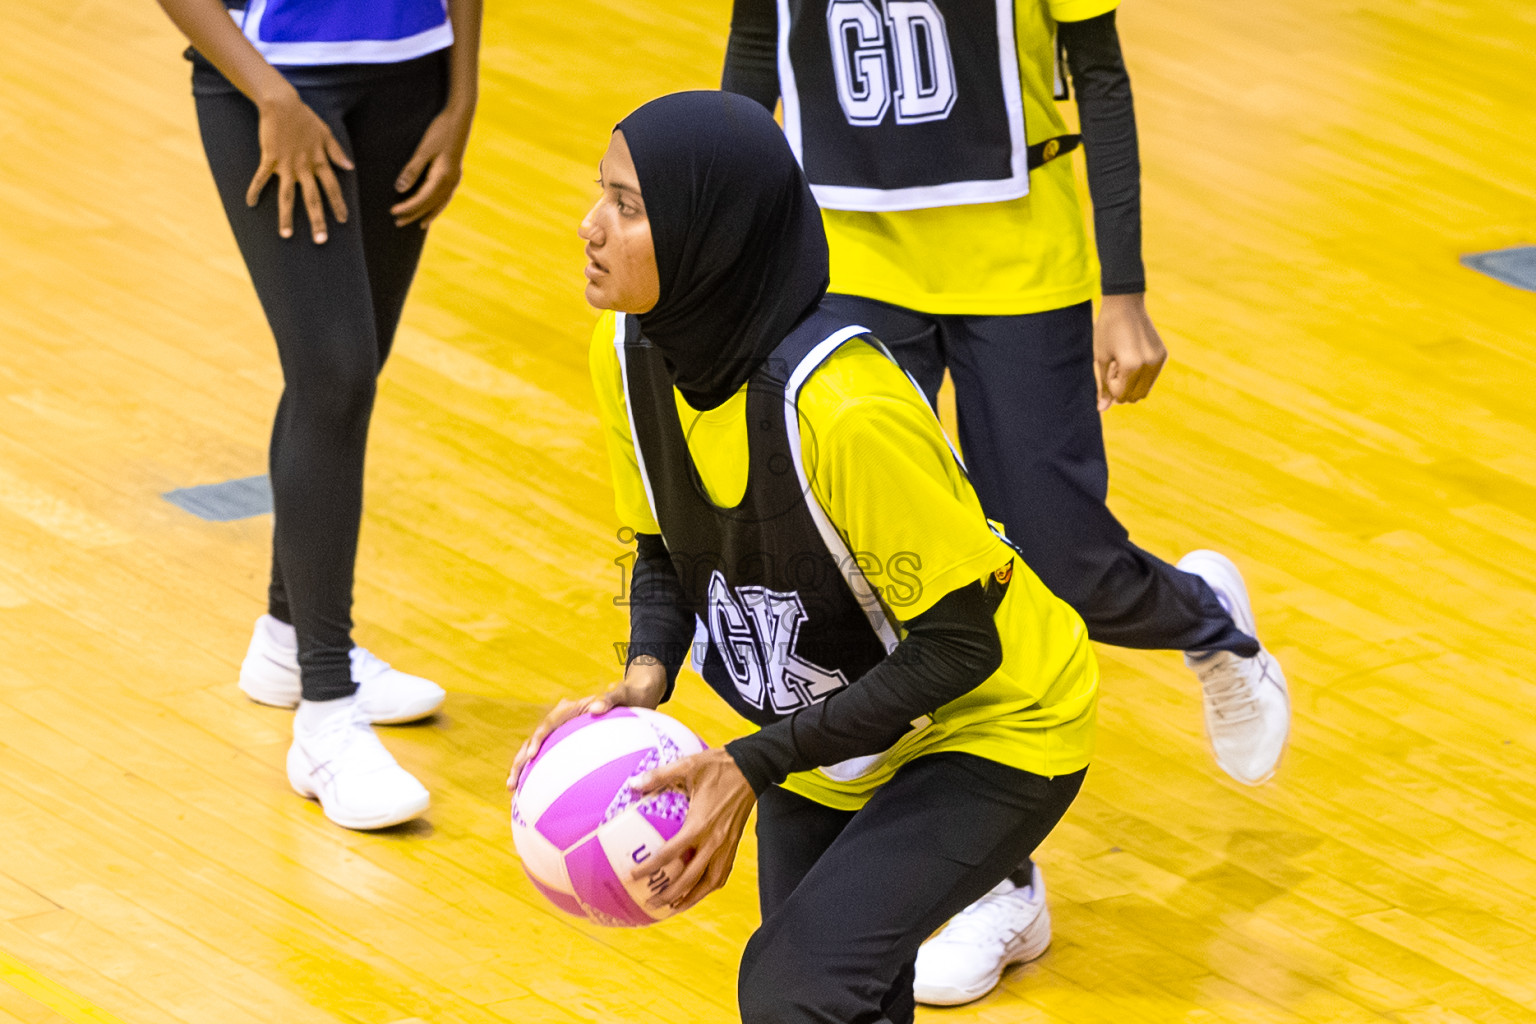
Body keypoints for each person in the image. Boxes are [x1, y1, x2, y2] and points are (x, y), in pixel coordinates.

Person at [720, 0, 1291, 1002]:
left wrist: (1125, 288)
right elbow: (756, 51)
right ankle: (1003, 883)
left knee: (1064, 563)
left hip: (1018, 265)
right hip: (849, 262)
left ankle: (1213, 625)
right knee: (892, 598)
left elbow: (1099, 74)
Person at [510, 90, 1098, 1024]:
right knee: (834, 995)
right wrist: (645, 672)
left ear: (712, 236)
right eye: (601, 195)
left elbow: (961, 649)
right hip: (833, 729)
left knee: (797, 989)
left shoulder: (843, 408)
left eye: (627, 206)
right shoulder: (627, 351)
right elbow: (663, 545)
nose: (589, 227)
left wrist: (753, 762)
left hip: (995, 728)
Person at [153, 0, 482, 830]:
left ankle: (285, 639)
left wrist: (461, 94)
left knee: (348, 370)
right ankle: (327, 716)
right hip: (273, 86)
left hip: (414, 77)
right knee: (333, 375)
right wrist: (271, 98)